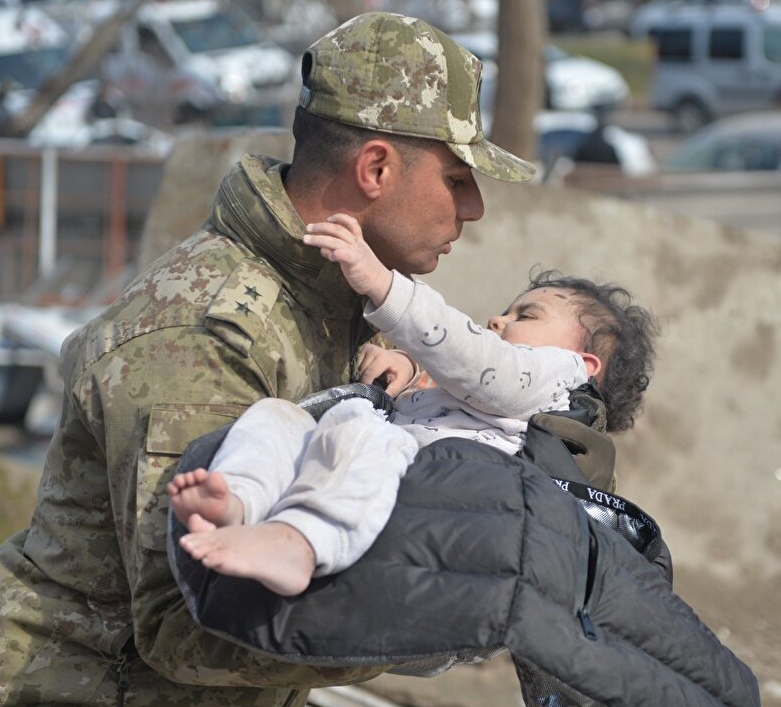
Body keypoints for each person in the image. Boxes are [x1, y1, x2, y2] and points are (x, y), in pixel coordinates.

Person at [0, 11, 537, 707]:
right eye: (457, 179)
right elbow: (185, 624)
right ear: (376, 169)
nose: (473, 208)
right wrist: (459, 621)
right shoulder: (205, 332)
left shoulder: (334, 300)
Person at [167, 212, 657, 597]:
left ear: (585, 364)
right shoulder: (501, 390)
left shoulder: (558, 378)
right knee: (280, 417)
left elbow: (479, 365)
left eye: (525, 315)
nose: (497, 319)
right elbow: (461, 389)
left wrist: (384, 285)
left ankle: (299, 544)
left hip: (434, 503)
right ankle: (238, 500)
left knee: (364, 433)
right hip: (377, 471)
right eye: (507, 310)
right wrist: (407, 371)